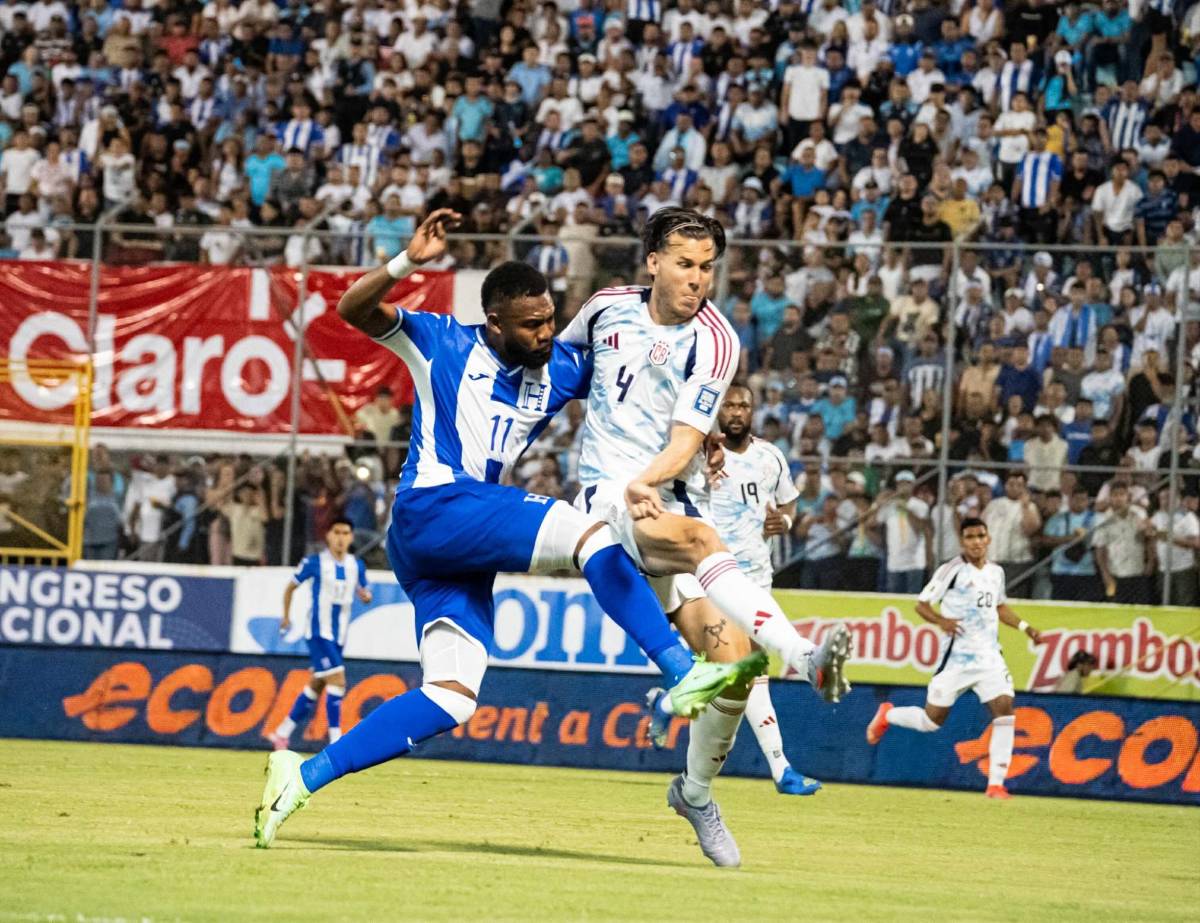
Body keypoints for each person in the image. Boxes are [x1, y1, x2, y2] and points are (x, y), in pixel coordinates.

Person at [255, 210, 762, 849]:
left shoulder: (558, 367)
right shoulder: (439, 340)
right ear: (494, 322)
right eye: (533, 325)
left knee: (452, 697)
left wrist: (708, 435)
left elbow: (630, 391)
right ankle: (675, 669)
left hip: (453, 551)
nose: (549, 334)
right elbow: (351, 310)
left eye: (551, 319)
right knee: (591, 539)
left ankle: (298, 778)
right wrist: (407, 263)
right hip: (432, 506)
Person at [562, 207, 852, 868]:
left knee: (736, 667)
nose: (697, 279)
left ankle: (692, 793)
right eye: (685, 264)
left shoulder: (717, 340)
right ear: (653, 262)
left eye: (707, 268)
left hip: (661, 494)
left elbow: (688, 438)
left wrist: (656, 477)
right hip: (607, 492)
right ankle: (805, 657)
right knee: (698, 536)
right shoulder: (605, 307)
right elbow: (559, 363)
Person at [866, 517, 1044, 799]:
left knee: (1004, 709)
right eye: (970, 537)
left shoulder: (996, 572)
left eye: (980, 536)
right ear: (963, 541)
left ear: (988, 539)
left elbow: (999, 606)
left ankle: (996, 784)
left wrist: (1026, 628)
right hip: (956, 659)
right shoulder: (952, 570)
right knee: (932, 721)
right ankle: (888, 714)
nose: (975, 541)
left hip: (989, 658)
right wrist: (941, 621)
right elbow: (921, 605)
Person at [708, 385, 821, 797]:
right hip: (712, 576)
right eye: (730, 405)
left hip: (756, 578)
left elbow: (789, 504)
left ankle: (779, 768)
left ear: (753, 412)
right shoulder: (700, 454)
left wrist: (786, 524)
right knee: (740, 673)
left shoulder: (769, 457)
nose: (737, 412)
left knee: (749, 675)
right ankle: (780, 767)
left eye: (744, 406)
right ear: (718, 410)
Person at [268, 518, 372, 750]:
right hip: (317, 632)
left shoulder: (357, 565)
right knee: (338, 680)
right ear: (328, 536)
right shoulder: (315, 562)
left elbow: (364, 591)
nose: (341, 538)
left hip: (339, 635)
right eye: (336, 532)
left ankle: (281, 733)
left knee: (318, 683)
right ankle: (336, 741)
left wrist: (366, 596)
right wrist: (286, 616)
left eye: (345, 533)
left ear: (351, 538)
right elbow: (290, 587)